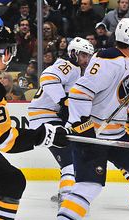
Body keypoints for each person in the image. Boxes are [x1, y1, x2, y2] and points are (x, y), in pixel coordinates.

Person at [57, 18, 129, 220]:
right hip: (92, 134)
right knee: (89, 186)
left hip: (116, 134)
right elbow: (79, 92)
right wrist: (83, 126)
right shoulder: (107, 59)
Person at [0, 24, 68, 219]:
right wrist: (45, 135)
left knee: (11, 180)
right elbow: (5, 139)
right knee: (11, 181)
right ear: (5, 53)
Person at [27, 37, 95, 205]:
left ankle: (65, 191)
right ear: (73, 53)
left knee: (72, 153)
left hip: (50, 118)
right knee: (70, 156)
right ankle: (67, 196)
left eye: (88, 56)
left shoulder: (77, 70)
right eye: (83, 55)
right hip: (44, 118)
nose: (86, 60)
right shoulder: (68, 65)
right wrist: (62, 102)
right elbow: (48, 77)